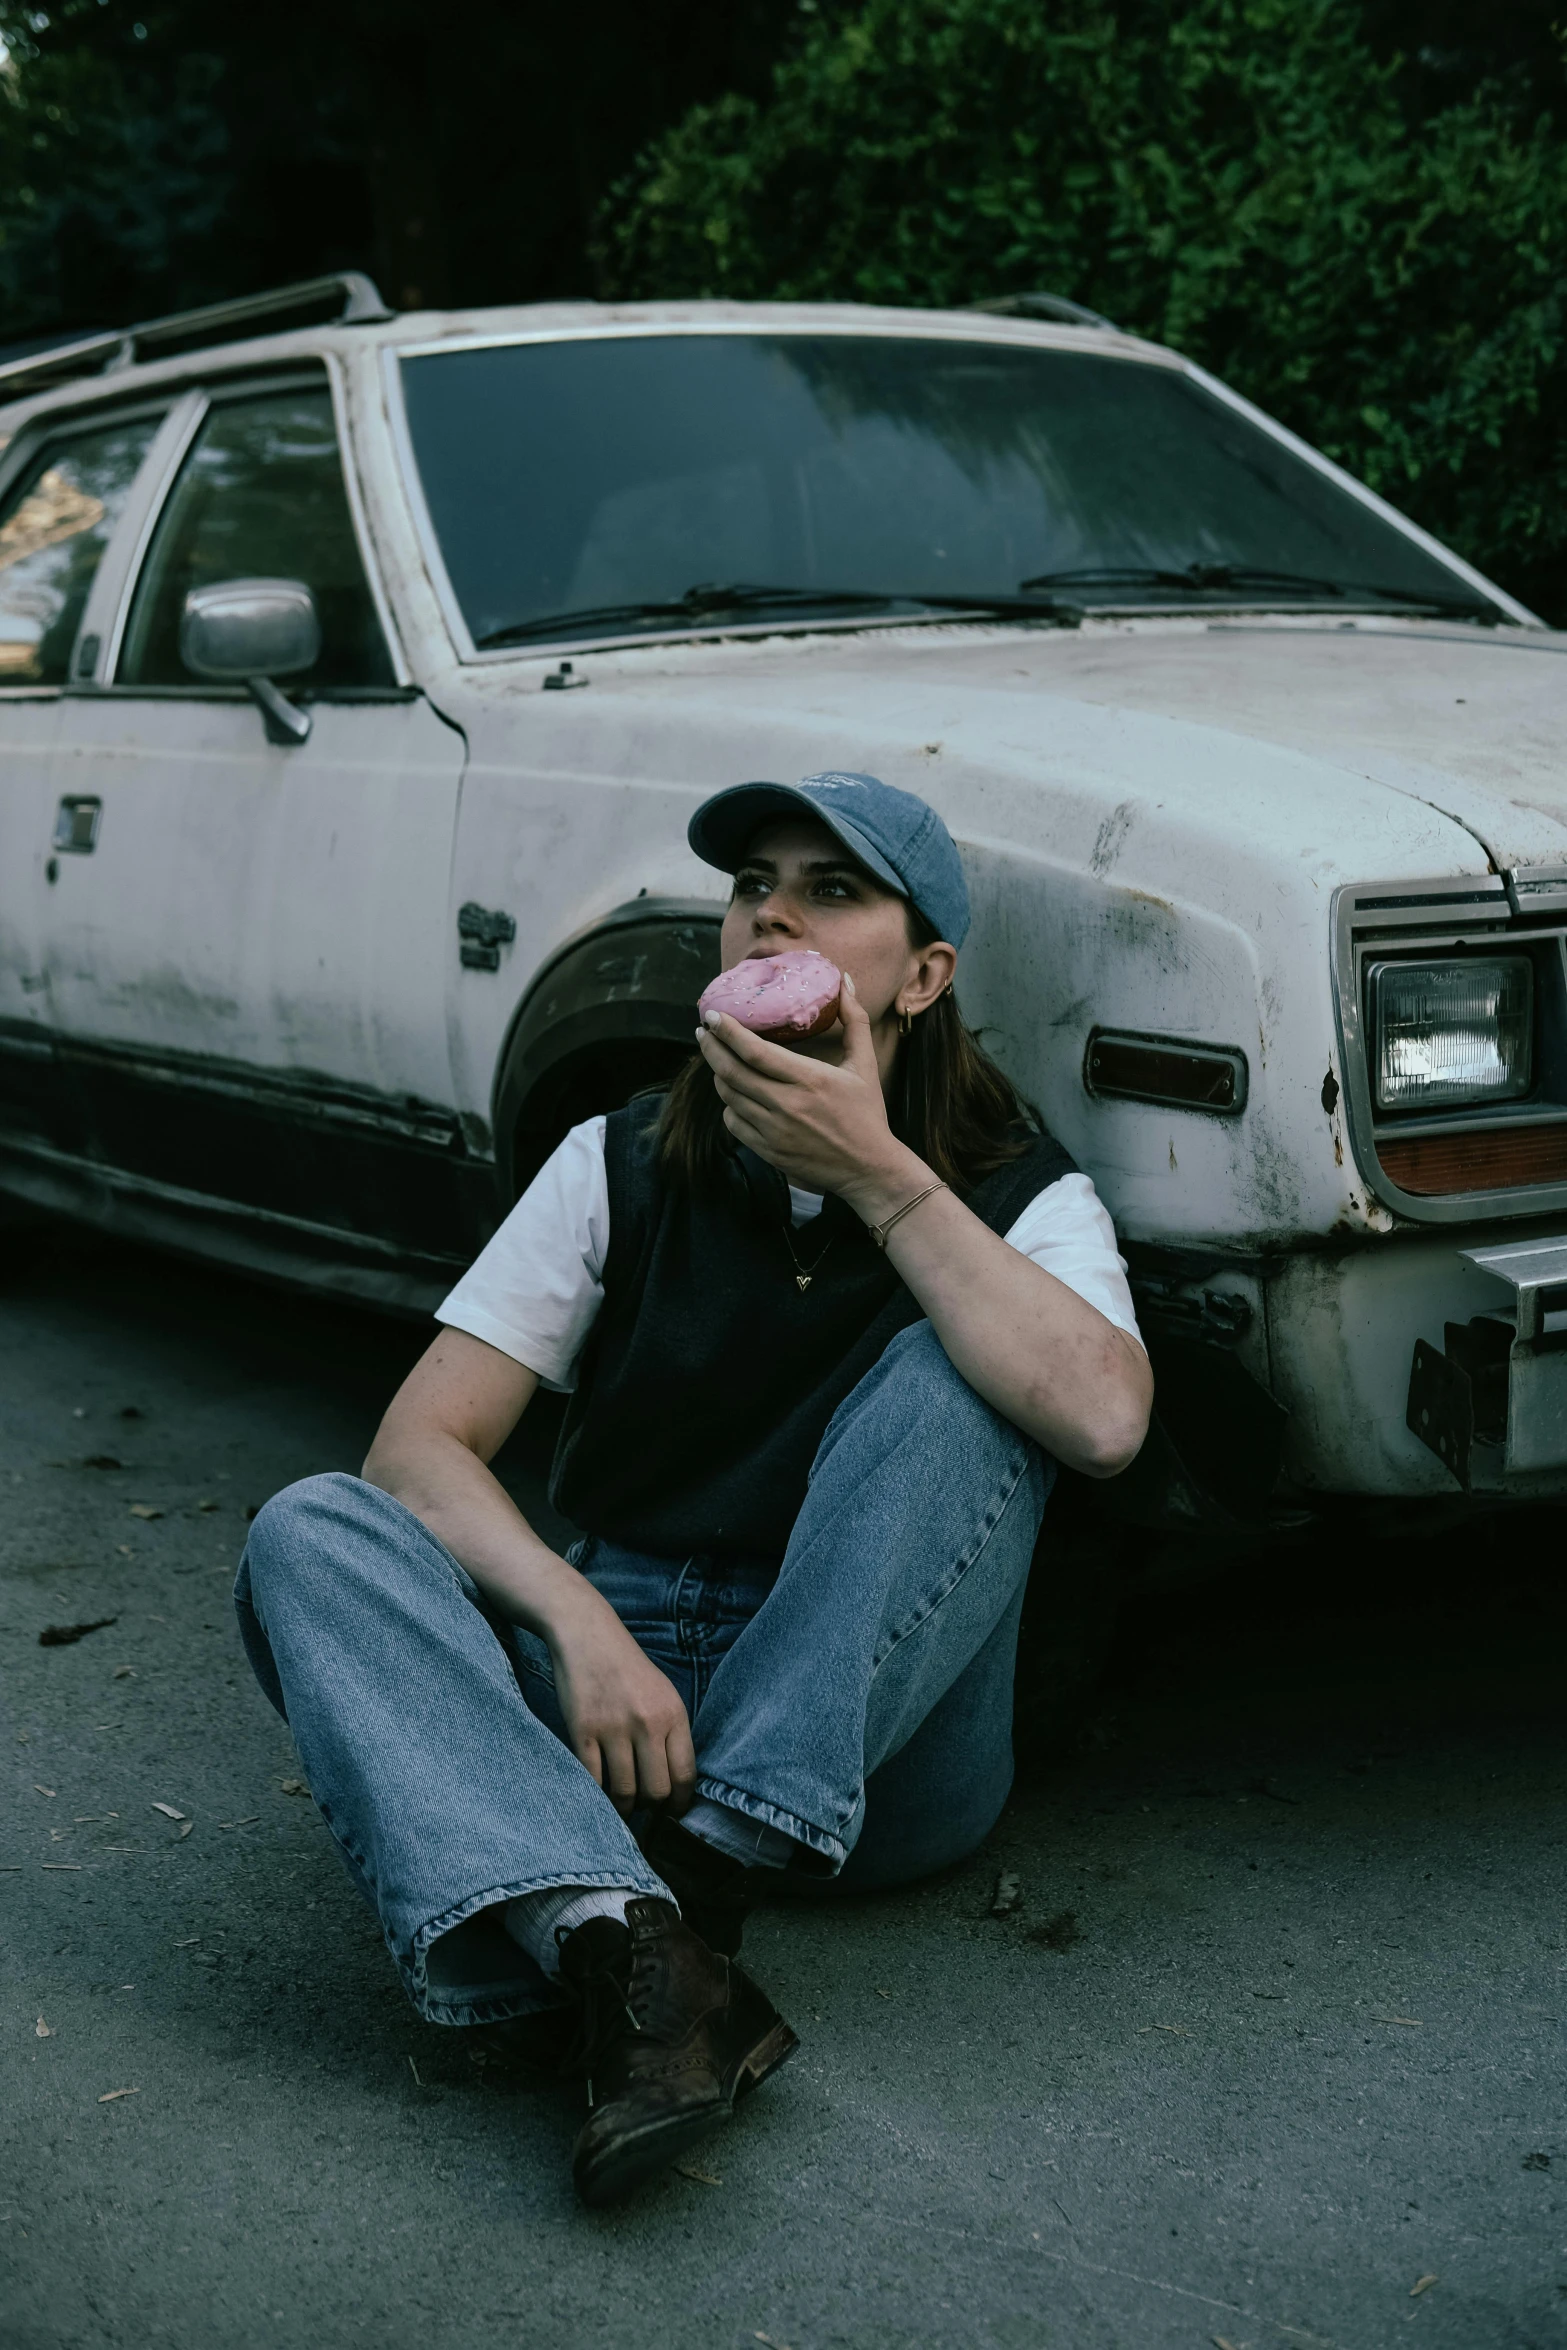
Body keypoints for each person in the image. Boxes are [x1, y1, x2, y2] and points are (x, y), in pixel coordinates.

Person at [236, 770, 1153, 2206]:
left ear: (922, 975)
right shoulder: (616, 1158)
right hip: (623, 1707)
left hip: (874, 1743)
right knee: (310, 1529)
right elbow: (418, 1452)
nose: (768, 908)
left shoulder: (1019, 1194)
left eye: (830, 887)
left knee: (967, 1370)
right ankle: (635, 1944)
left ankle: (696, 1878)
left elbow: (1102, 1421)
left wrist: (882, 1180)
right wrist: (575, 1624)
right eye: (749, 885)